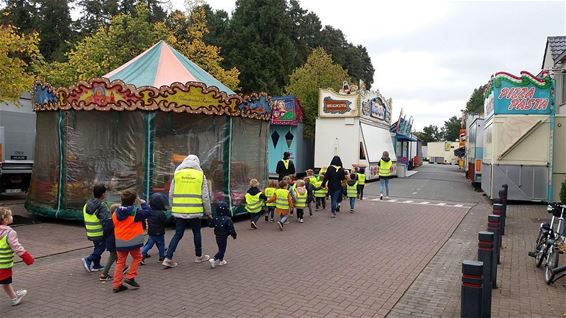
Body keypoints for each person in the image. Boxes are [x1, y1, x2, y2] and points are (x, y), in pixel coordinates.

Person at [163, 155, 212, 268]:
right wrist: (208, 211)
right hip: (195, 210)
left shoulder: (177, 174)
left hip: (179, 210)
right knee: (196, 233)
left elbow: (171, 193)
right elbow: (205, 196)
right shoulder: (200, 176)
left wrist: (172, 207)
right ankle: (198, 256)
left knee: (178, 234)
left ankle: (168, 257)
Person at [112, 191, 151, 293]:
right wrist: (143, 203)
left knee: (120, 262)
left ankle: (116, 285)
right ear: (134, 201)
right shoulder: (135, 212)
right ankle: (130, 276)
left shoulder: (115, 213)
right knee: (137, 257)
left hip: (120, 241)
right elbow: (148, 212)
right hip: (133, 241)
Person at [0, 208, 34, 306]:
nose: (12, 217)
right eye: (10, 215)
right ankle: (14, 298)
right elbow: (17, 248)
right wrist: (27, 258)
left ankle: (14, 297)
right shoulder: (10, 233)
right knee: (5, 282)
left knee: (5, 282)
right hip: (4, 265)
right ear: (5, 220)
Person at [81, 184, 111, 273]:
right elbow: (105, 221)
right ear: (102, 194)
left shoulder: (87, 205)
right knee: (101, 247)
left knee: (97, 247)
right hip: (100, 232)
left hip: (91, 232)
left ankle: (96, 265)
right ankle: (88, 259)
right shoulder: (101, 206)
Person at [141, 193, 169, 264]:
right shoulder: (161, 213)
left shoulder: (149, 212)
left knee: (149, 245)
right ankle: (161, 257)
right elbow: (165, 221)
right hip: (159, 232)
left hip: (151, 232)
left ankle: (141, 255)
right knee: (161, 244)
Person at [99, 203, 125, 281]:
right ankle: (104, 274)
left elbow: (105, 232)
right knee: (112, 256)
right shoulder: (115, 222)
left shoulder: (108, 221)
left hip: (110, 242)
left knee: (116, 255)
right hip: (114, 243)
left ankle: (123, 267)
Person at [208, 202, 237, 268]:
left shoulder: (216, 218)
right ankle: (214, 259)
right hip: (224, 236)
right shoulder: (228, 219)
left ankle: (221, 260)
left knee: (220, 248)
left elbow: (210, 225)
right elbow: (231, 229)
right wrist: (234, 235)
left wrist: (209, 218)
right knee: (222, 249)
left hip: (217, 236)